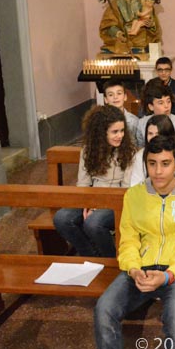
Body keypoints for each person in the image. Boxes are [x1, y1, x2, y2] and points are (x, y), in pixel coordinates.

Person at [94, 135, 175, 349]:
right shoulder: (134, 195)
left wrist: (168, 275)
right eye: (152, 163)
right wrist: (134, 269)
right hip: (141, 269)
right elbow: (128, 241)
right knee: (104, 310)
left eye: (165, 163)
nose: (158, 171)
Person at [54, 104, 135, 257]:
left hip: (116, 201)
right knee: (62, 218)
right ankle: (91, 255)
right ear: (100, 132)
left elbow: (125, 188)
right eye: (114, 132)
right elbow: (83, 183)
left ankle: (110, 258)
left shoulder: (128, 151)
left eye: (122, 131)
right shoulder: (88, 150)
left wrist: (99, 206)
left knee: (93, 223)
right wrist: (87, 204)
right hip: (91, 197)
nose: (120, 135)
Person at [129, 114, 175, 186]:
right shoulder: (139, 156)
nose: (153, 138)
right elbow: (135, 184)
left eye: (158, 134)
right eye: (150, 133)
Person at [136, 82, 175, 146]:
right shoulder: (142, 123)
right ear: (151, 106)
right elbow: (141, 147)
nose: (166, 106)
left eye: (168, 101)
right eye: (161, 103)